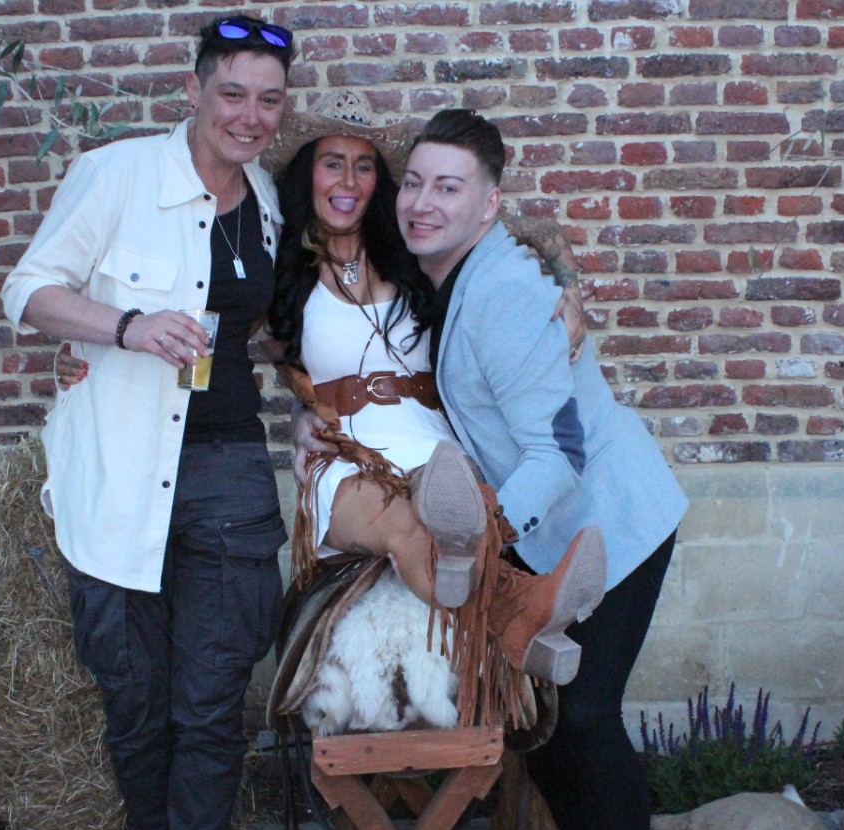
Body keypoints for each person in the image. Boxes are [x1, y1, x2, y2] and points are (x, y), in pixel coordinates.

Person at [0, 14, 298, 830]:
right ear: (194, 90)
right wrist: (124, 327)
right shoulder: (116, 175)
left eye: (268, 100)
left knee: (209, 703)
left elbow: (270, 326)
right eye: (233, 93)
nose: (250, 115)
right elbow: (28, 292)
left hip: (227, 472)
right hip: (122, 474)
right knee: (134, 700)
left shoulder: (265, 200)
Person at [393, 109, 690, 830]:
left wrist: (485, 535)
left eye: (449, 187)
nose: (423, 202)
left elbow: (559, 452)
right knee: (548, 715)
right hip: (551, 537)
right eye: (416, 183)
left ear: (489, 205)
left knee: (589, 713)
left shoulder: (505, 295)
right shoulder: (457, 269)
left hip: (616, 527)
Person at [260, 94, 607, 689]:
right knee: (404, 524)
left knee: (455, 506)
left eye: (364, 166)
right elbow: (246, 351)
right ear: (305, 174)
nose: (348, 181)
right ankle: (520, 610)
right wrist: (302, 415)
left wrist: (570, 289)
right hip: (347, 459)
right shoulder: (279, 271)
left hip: (434, 448)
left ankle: (517, 622)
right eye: (332, 163)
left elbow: (538, 231)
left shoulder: (411, 252)